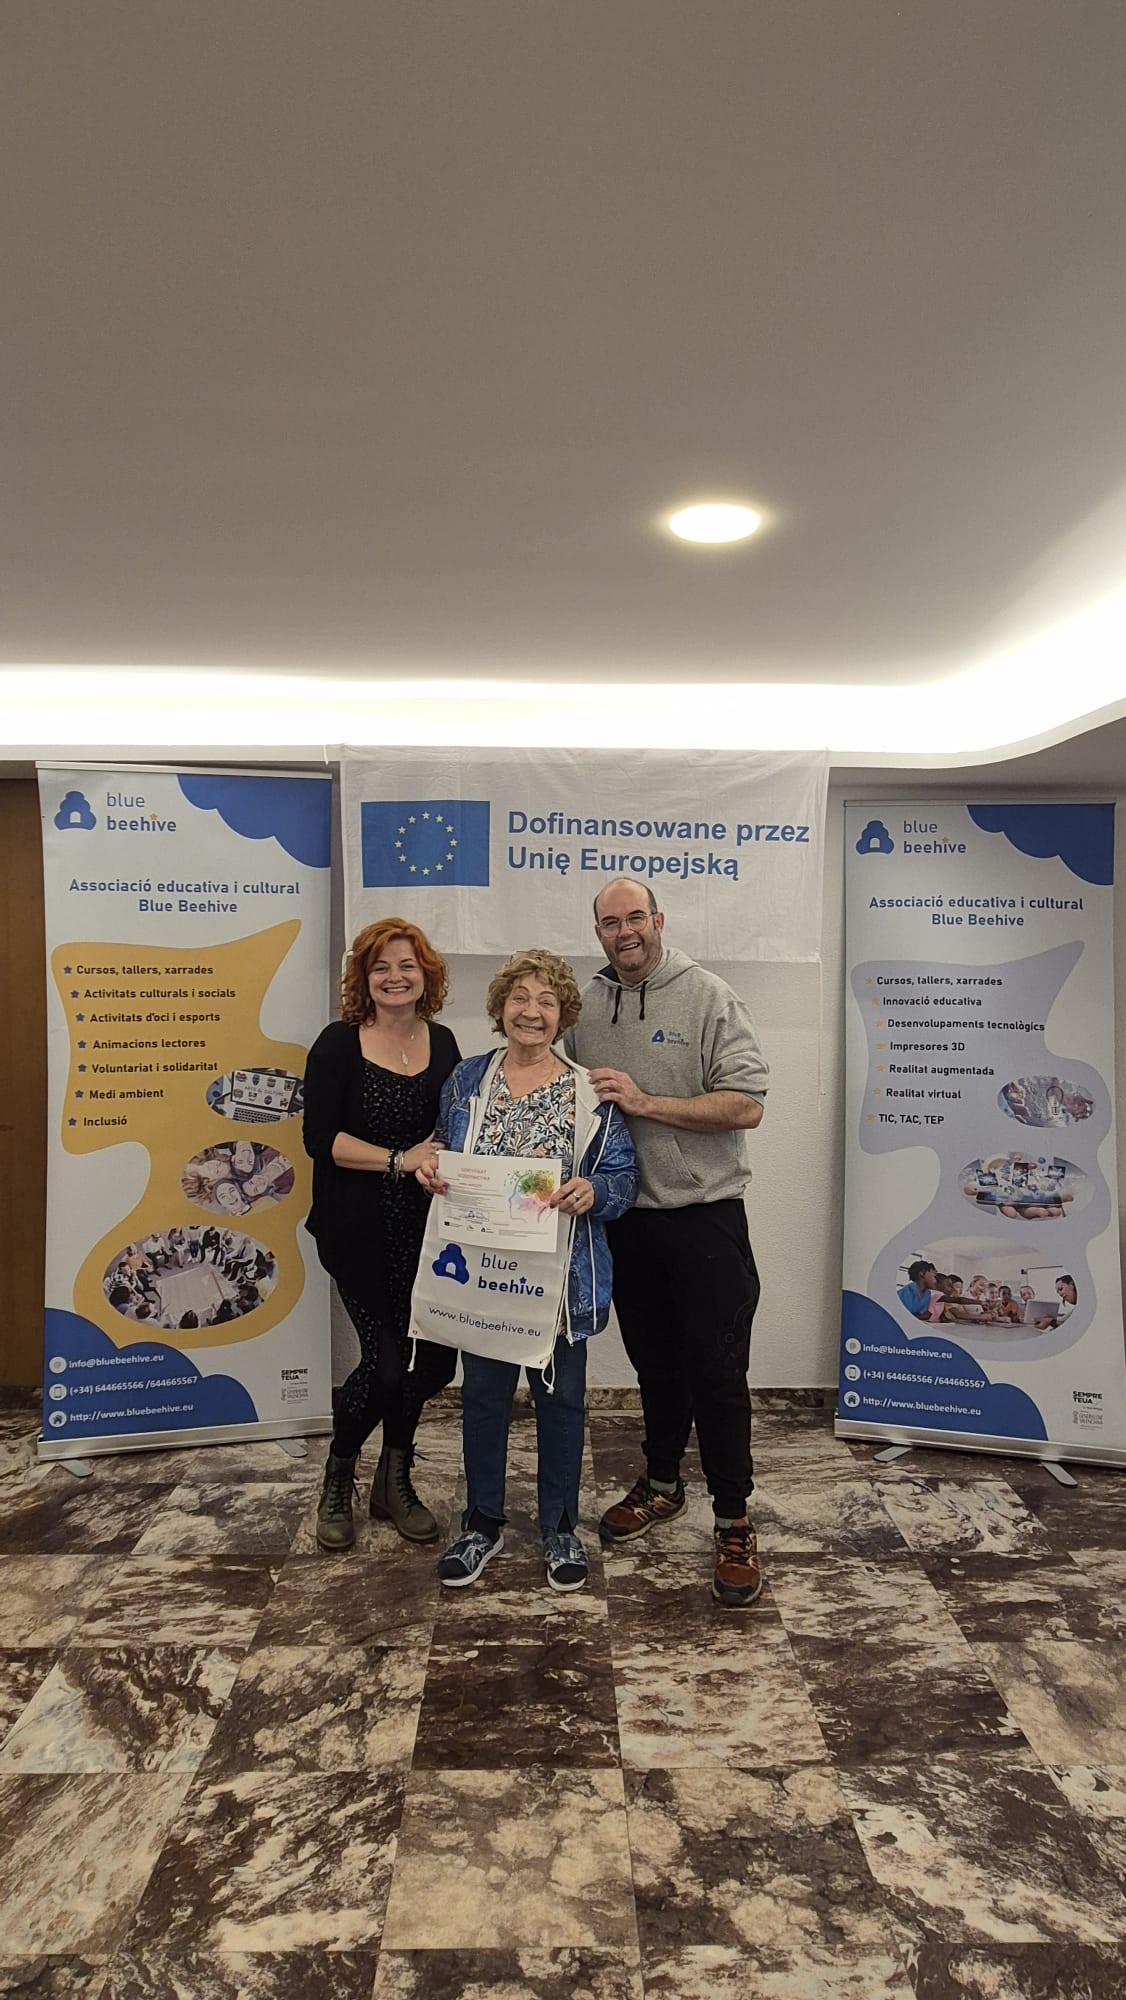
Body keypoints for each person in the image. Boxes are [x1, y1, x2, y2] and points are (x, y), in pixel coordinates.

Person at [565, 880, 768, 1610]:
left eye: (635, 918)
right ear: (598, 932)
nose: (625, 932)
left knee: (717, 1374)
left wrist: (645, 1101)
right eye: (610, 922)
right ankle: (661, 1484)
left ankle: (734, 1521)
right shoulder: (584, 1007)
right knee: (655, 1366)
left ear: (658, 921)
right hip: (626, 1221)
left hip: (704, 1217)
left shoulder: (709, 996)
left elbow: (746, 1104)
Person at [419, 949, 637, 1591]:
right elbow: (443, 1147)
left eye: (546, 1001)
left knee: (561, 1404)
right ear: (500, 1008)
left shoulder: (590, 1092)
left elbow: (623, 1178)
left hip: (559, 1283)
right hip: (481, 1277)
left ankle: (560, 1528)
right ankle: (481, 1524)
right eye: (520, 998)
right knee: (483, 1401)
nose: (531, 1012)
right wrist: (433, 1168)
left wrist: (594, 1190)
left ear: (563, 1015)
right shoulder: (468, 1079)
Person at [303, 918, 461, 1552]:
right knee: (387, 1363)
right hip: (356, 1228)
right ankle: (339, 1479)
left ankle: (393, 1483)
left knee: (433, 1363)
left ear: (426, 975)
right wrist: (400, 1158)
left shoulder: (443, 1041)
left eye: (407, 966)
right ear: (363, 979)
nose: (395, 977)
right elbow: (321, 1140)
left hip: (428, 1230)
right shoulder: (338, 1043)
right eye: (381, 968)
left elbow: (455, 1126)